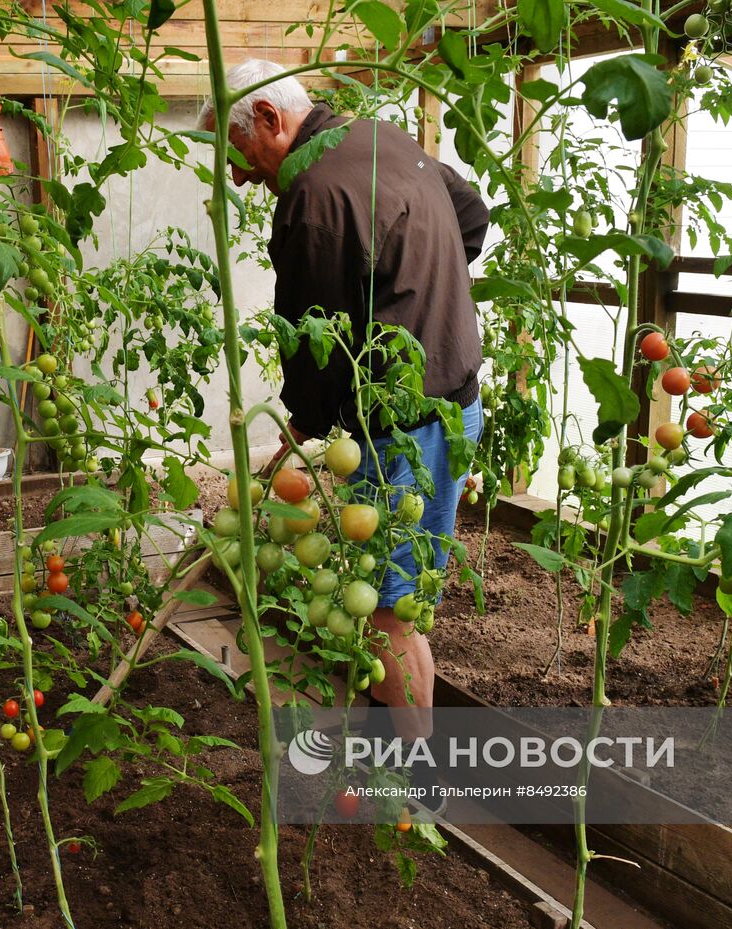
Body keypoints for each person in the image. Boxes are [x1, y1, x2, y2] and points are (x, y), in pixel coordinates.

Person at [200, 60, 486, 738]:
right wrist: (425, 285)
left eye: (235, 155)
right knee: (389, 594)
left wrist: (297, 430)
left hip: (409, 424)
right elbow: (470, 214)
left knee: (390, 611)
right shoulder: (384, 137)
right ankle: (384, 738)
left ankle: (417, 779)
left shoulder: (313, 192)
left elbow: (313, 339)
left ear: (270, 120)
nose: (237, 176)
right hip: (450, 404)